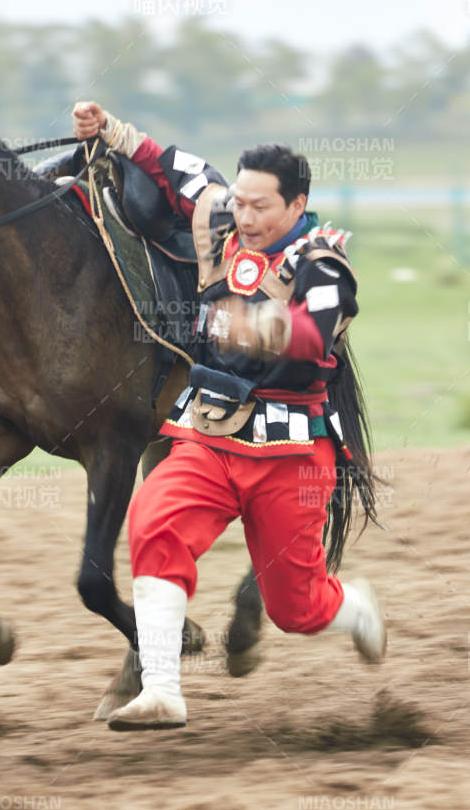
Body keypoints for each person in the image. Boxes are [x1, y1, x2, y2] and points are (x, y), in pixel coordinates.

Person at [69, 101, 386, 731]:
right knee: (153, 520)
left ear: (297, 206)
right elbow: (170, 168)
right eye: (238, 202)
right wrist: (108, 129)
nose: (243, 216)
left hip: (292, 454)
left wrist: (254, 324)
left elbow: (315, 334)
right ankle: (161, 690)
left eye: (260, 207)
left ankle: (355, 608)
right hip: (210, 435)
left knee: (296, 608)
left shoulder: (323, 266)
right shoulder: (222, 218)